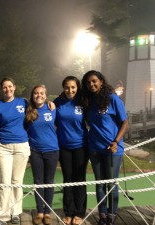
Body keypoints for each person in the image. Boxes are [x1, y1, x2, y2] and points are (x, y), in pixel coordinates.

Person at [81, 70, 128, 225]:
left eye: (94, 81)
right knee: (99, 183)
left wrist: (116, 141)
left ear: (101, 81)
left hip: (112, 149)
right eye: (88, 82)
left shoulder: (113, 99)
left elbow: (125, 123)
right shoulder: (88, 101)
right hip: (95, 148)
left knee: (111, 183)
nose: (91, 84)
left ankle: (112, 215)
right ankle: (102, 215)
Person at [0, 77, 31, 225]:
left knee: (16, 181)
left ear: (14, 87)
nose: (8, 89)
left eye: (10, 86)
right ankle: (2, 215)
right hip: (3, 147)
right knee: (4, 182)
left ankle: (15, 212)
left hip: (21, 146)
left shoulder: (23, 102)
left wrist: (50, 103)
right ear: (2, 89)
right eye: (4, 87)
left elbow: (38, 105)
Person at [54, 76, 88, 225]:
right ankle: (68, 212)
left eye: (73, 87)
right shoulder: (57, 103)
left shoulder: (83, 102)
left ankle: (79, 213)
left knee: (79, 180)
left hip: (81, 146)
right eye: (67, 87)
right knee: (68, 179)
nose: (70, 90)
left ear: (77, 87)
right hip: (64, 147)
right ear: (63, 88)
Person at [25, 85, 59, 225]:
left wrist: (53, 102)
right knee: (38, 182)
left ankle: (47, 213)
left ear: (46, 95)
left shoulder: (52, 108)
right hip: (35, 152)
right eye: (36, 93)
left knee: (49, 182)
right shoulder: (28, 111)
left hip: (52, 150)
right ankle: (39, 212)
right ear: (32, 95)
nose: (39, 95)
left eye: (42, 93)